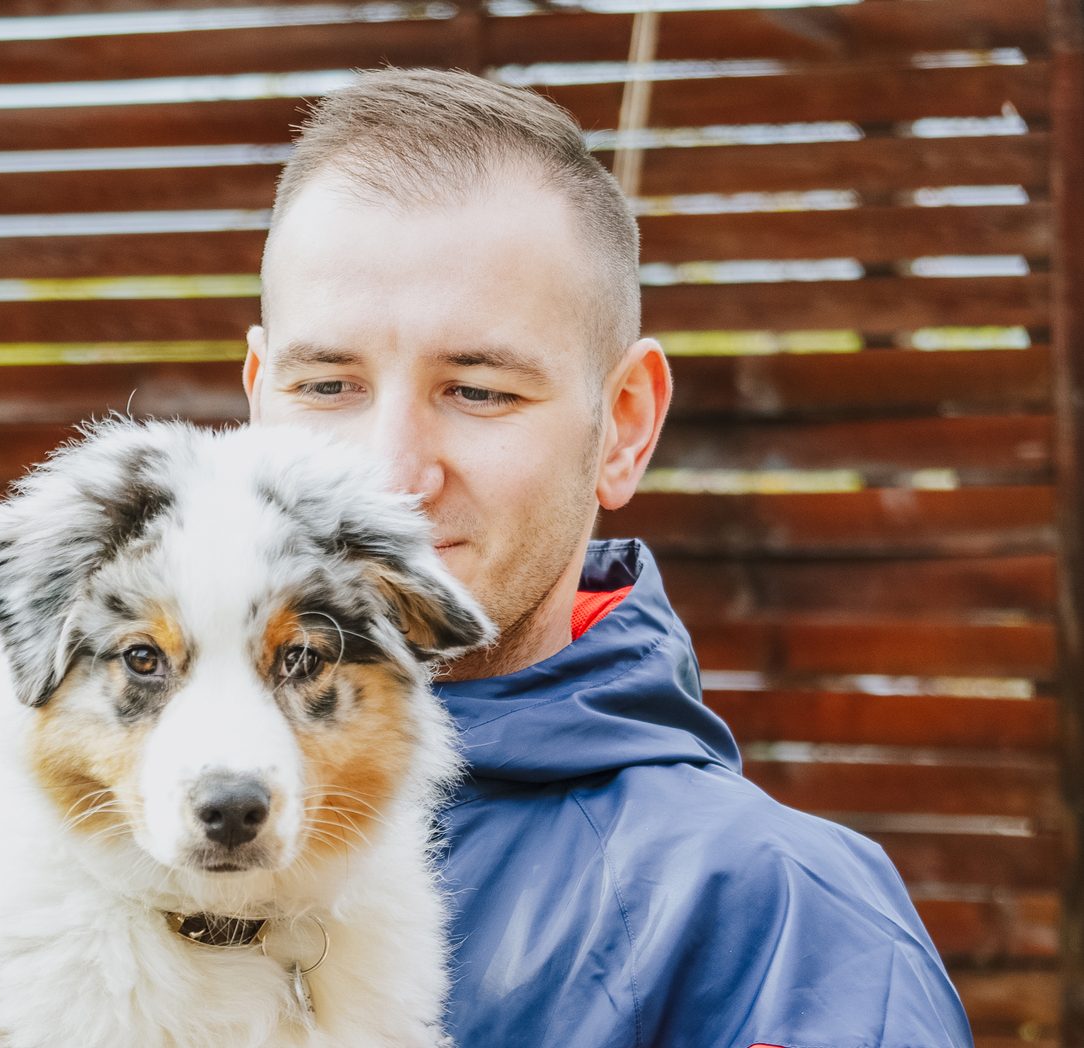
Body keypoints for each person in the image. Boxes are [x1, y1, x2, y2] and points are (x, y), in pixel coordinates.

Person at [241, 67, 975, 1047]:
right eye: (328, 387)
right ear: (255, 400)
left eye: (480, 390)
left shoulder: (776, 927)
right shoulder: (70, 830)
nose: (391, 474)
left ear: (624, 425)